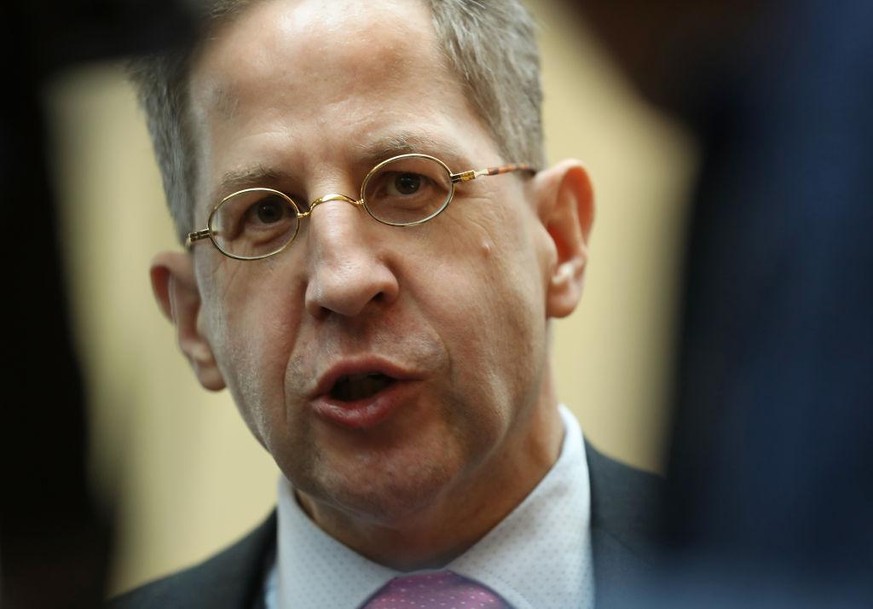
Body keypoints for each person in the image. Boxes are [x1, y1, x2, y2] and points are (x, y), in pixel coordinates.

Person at [109, 1, 663, 607]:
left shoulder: (767, 571)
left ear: (558, 238)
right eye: (264, 213)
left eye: (406, 183)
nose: (343, 281)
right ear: (193, 320)